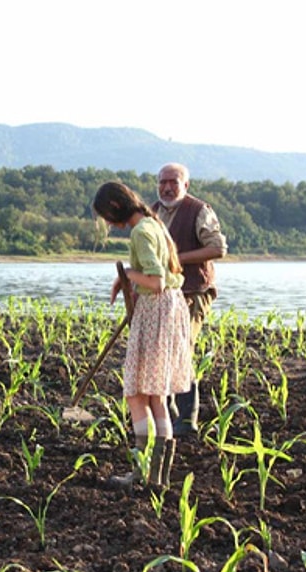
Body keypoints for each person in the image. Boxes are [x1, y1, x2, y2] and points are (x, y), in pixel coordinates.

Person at [92, 181, 193, 488]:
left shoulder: (141, 230)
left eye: (107, 217)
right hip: (168, 310)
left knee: (137, 394)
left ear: (114, 208)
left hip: (156, 311)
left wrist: (126, 275)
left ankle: (142, 472)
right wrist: (126, 281)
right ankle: (156, 477)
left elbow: (156, 280)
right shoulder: (154, 224)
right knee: (156, 397)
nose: (109, 224)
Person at [152, 162, 228, 437]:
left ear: (186, 185)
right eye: (163, 182)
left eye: (174, 181)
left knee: (181, 347)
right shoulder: (153, 212)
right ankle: (170, 413)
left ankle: (187, 419)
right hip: (163, 292)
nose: (167, 187)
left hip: (194, 290)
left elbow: (218, 248)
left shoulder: (199, 211)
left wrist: (177, 260)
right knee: (162, 350)